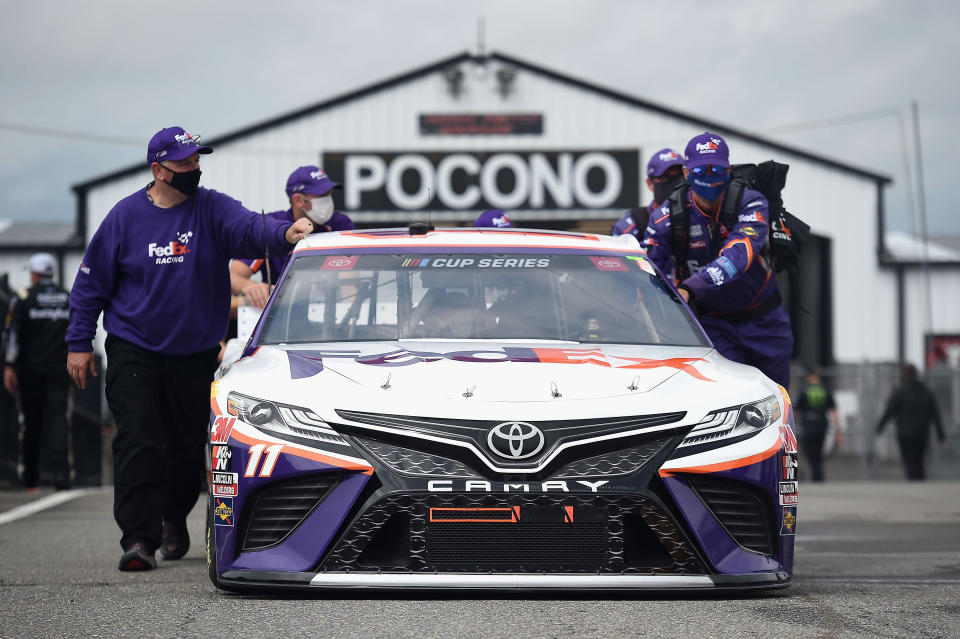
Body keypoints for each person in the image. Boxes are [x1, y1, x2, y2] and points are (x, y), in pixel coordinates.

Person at [65, 126, 313, 572]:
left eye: (197, 161)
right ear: (158, 169)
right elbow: (89, 287)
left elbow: (250, 226)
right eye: (184, 163)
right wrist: (79, 342)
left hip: (195, 353)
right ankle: (139, 539)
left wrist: (285, 233)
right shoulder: (124, 218)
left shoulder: (211, 208)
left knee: (182, 451)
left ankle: (173, 518)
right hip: (134, 348)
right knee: (139, 440)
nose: (194, 169)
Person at [642, 132, 793, 389]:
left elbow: (738, 256)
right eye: (701, 170)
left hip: (765, 321)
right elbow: (647, 272)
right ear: (687, 173)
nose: (708, 177)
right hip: (711, 324)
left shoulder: (752, 202)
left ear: (729, 171)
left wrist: (689, 288)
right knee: (732, 394)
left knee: (778, 399)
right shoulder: (664, 218)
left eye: (716, 170)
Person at [230, 166, 354, 308]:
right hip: (283, 317)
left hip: (332, 315)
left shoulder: (340, 224)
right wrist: (251, 287)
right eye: (321, 195)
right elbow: (233, 276)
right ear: (298, 200)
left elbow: (349, 282)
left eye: (329, 193)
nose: (328, 200)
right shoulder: (272, 227)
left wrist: (348, 313)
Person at [3, 253, 72, 491]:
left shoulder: (23, 298)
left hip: (30, 372)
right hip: (60, 371)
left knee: (31, 423)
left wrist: (9, 365)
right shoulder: (67, 298)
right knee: (59, 421)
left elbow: (12, 335)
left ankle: (30, 479)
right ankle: (62, 476)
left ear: (34, 273)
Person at [876, 363, 946, 480]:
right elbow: (935, 414)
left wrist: (880, 428)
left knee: (910, 461)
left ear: (904, 375)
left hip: (905, 433)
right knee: (918, 460)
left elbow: (889, 411)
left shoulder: (899, 391)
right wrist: (941, 435)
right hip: (921, 432)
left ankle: (914, 483)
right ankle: (919, 481)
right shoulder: (926, 391)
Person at [611, 148, 685, 239]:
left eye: (680, 176)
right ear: (649, 183)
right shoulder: (632, 224)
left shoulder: (701, 214)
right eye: (665, 177)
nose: (674, 183)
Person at [794, 368, 840, 481]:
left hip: (808, 425)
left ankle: (817, 475)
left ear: (808, 376)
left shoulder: (804, 390)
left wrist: (790, 424)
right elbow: (833, 411)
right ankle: (818, 475)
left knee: (810, 451)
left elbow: (796, 410)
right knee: (819, 451)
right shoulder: (825, 389)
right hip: (822, 425)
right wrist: (838, 429)